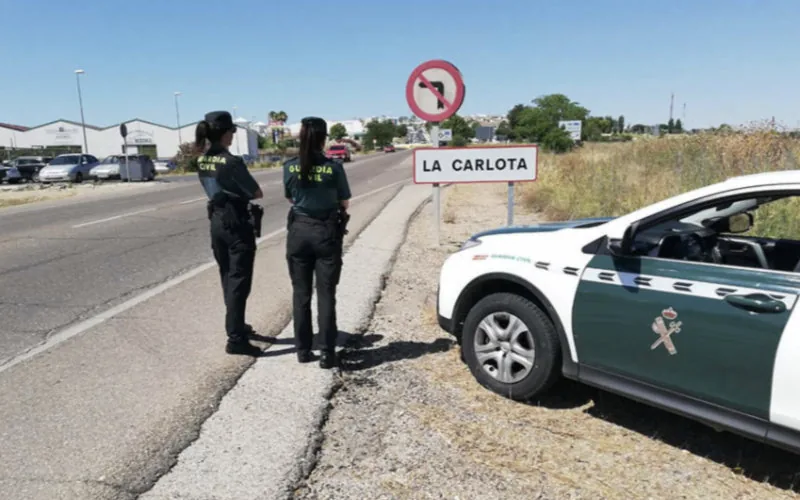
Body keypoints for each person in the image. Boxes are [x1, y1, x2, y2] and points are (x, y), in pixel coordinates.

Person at [283, 117, 352, 369]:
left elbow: (290, 197)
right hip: (326, 232)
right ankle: (326, 352)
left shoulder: (290, 167)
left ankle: (302, 350)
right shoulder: (333, 167)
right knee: (326, 294)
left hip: (299, 231)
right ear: (323, 138)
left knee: (300, 293)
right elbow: (344, 202)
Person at [195, 111, 264, 356]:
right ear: (225, 133)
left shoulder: (202, 159)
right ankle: (235, 339)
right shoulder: (231, 161)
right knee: (239, 281)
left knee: (227, 277)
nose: (233, 136)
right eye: (232, 132)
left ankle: (237, 325)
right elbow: (256, 192)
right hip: (236, 222)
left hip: (216, 220)